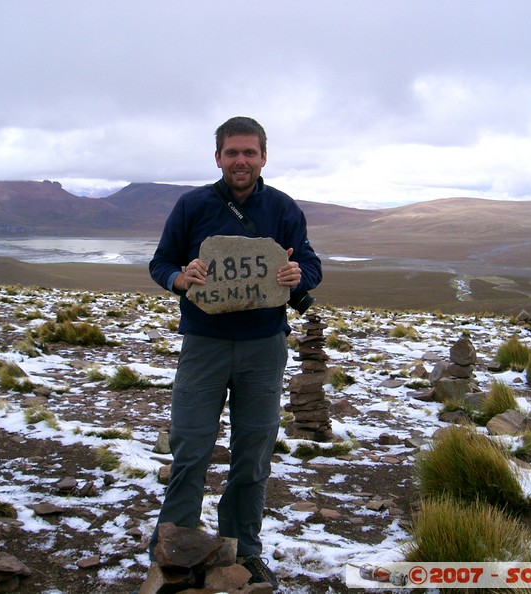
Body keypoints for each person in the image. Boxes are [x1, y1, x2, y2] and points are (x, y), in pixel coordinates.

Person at [147, 116, 322, 589]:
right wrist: (180, 279)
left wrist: (297, 277)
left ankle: (244, 549)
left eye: (249, 152)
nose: (240, 161)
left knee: (253, 453)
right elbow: (160, 262)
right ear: (218, 157)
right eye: (232, 153)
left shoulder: (284, 209)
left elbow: (309, 263)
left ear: (263, 157)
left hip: (263, 349)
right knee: (190, 448)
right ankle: (173, 548)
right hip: (203, 345)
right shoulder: (192, 205)